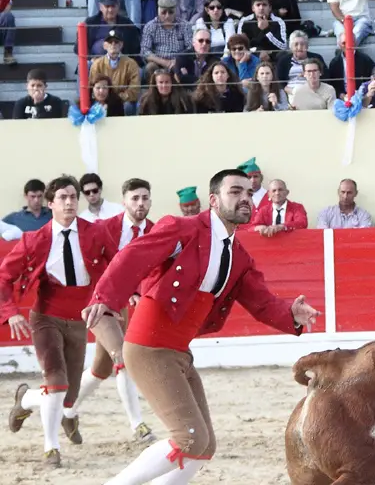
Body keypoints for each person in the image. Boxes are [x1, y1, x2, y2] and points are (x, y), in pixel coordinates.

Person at [81, 169, 321, 484]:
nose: (245, 199)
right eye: (235, 192)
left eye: (248, 193)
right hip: (149, 347)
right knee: (189, 438)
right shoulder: (183, 229)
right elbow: (133, 256)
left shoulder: (238, 255)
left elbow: (261, 302)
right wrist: (106, 296)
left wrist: (290, 314)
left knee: (204, 445)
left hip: (178, 352)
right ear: (213, 200)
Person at [1, 176, 118, 468]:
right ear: (50, 203)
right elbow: (3, 277)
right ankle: (50, 448)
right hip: (46, 317)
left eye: (73, 197)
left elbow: (117, 265)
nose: (69, 202)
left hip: (80, 319)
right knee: (56, 381)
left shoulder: (96, 232)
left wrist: (112, 299)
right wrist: (11, 311)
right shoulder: (33, 240)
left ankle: (26, 399)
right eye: (63, 198)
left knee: (68, 396)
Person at [62, 178, 156, 444]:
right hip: (98, 303)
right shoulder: (104, 229)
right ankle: (137, 425)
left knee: (99, 371)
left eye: (145, 198)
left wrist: (137, 289)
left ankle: (65, 410)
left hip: (122, 305)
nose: (140, 203)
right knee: (123, 357)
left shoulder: (156, 230)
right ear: (124, 201)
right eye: (135, 198)